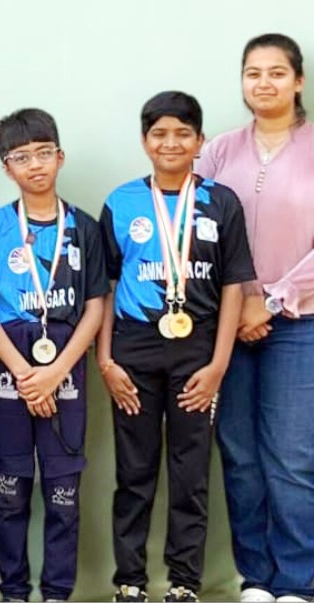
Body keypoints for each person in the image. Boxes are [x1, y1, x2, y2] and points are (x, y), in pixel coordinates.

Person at [96, 91, 256, 603]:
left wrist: (218, 365)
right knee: (134, 471)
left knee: (191, 473)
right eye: (160, 133)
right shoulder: (121, 202)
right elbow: (106, 287)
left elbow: (234, 287)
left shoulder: (221, 201)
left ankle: (185, 582)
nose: (171, 143)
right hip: (133, 352)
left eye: (183, 133)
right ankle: (129, 580)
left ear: (200, 141)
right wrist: (106, 360)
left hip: (198, 354)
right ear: (145, 141)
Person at [0, 108, 108, 602]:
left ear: (60, 156)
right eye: (21, 157)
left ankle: (57, 592)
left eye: (44, 153)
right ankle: (13, 590)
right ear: (7, 168)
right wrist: (26, 373)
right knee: (10, 485)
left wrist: (57, 371)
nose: (35, 165)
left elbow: (96, 305)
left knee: (63, 490)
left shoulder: (84, 228)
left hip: (67, 359)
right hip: (11, 362)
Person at [196, 33, 314, 603]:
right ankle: (257, 578)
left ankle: (297, 580)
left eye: (276, 72)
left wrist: (269, 300)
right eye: (253, 73)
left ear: (298, 81)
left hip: (300, 324)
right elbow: (194, 228)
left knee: (291, 457)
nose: (263, 83)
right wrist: (238, 301)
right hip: (227, 324)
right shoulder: (219, 152)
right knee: (239, 455)